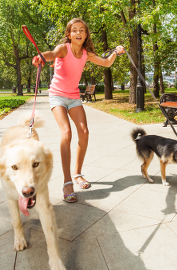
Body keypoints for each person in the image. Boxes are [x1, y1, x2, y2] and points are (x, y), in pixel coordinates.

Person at [32, 18, 125, 203]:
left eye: (82, 30)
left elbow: (106, 63)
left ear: (85, 35)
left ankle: (77, 174)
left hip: (73, 96)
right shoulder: (63, 48)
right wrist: (41, 57)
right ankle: (67, 182)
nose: (78, 33)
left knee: (84, 132)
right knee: (66, 133)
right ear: (69, 34)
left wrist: (116, 51)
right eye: (74, 30)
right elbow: (50, 54)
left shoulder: (86, 53)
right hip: (57, 95)